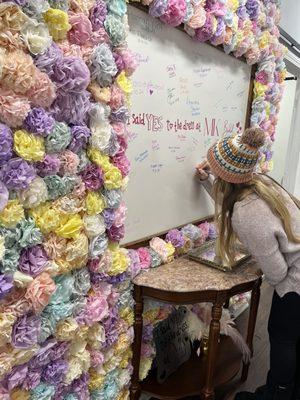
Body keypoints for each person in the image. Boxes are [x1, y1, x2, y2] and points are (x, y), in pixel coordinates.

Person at [196, 127, 300, 400]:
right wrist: (208, 179)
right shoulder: (259, 184)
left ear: (226, 177)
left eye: (216, 169)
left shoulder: (246, 211)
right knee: (291, 338)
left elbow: (277, 271)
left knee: (283, 337)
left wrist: (265, 272)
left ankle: (277, 394)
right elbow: (233, 202)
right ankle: (285, 388)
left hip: (296, 282)